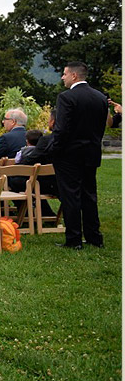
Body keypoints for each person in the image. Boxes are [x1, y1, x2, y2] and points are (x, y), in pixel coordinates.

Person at [51, 62, 108, 249]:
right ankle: (94, 236)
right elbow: (101, 126)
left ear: (74, 76)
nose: (62, 77)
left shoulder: (67, 98)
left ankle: (74, 239)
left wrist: (55, 149)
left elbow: (62, 129)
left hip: (69, 155)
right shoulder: (100, 97)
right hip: (91, 152)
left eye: (64, 74)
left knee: (70, 196)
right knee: (89, 195)